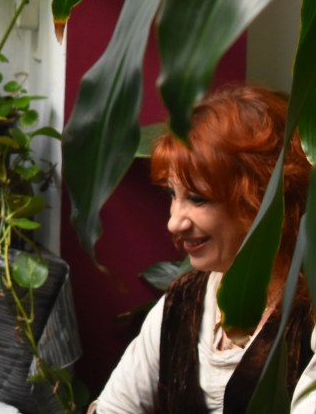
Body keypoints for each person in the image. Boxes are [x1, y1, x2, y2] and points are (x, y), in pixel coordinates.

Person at [92, 84, 316, 413]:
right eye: (173, 195)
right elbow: (115, 407)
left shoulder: (308, 318)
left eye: (198, 199)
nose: (174, 222)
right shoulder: (182, 302)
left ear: (259, 200)